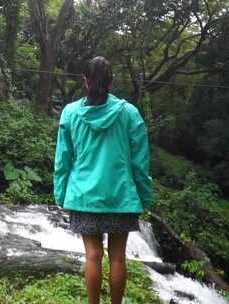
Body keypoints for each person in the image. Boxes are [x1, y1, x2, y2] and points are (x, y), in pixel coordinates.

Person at [53, 56, 153, 304]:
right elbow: (140, 162)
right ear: (112, 81)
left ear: (84, 80)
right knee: (118, 258)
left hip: (84, 196)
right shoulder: (129, 113)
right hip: (121, 196)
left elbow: (63, 159)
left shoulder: (70, 113)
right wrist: (144, 195)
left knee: (93, 256)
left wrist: (60, 193)